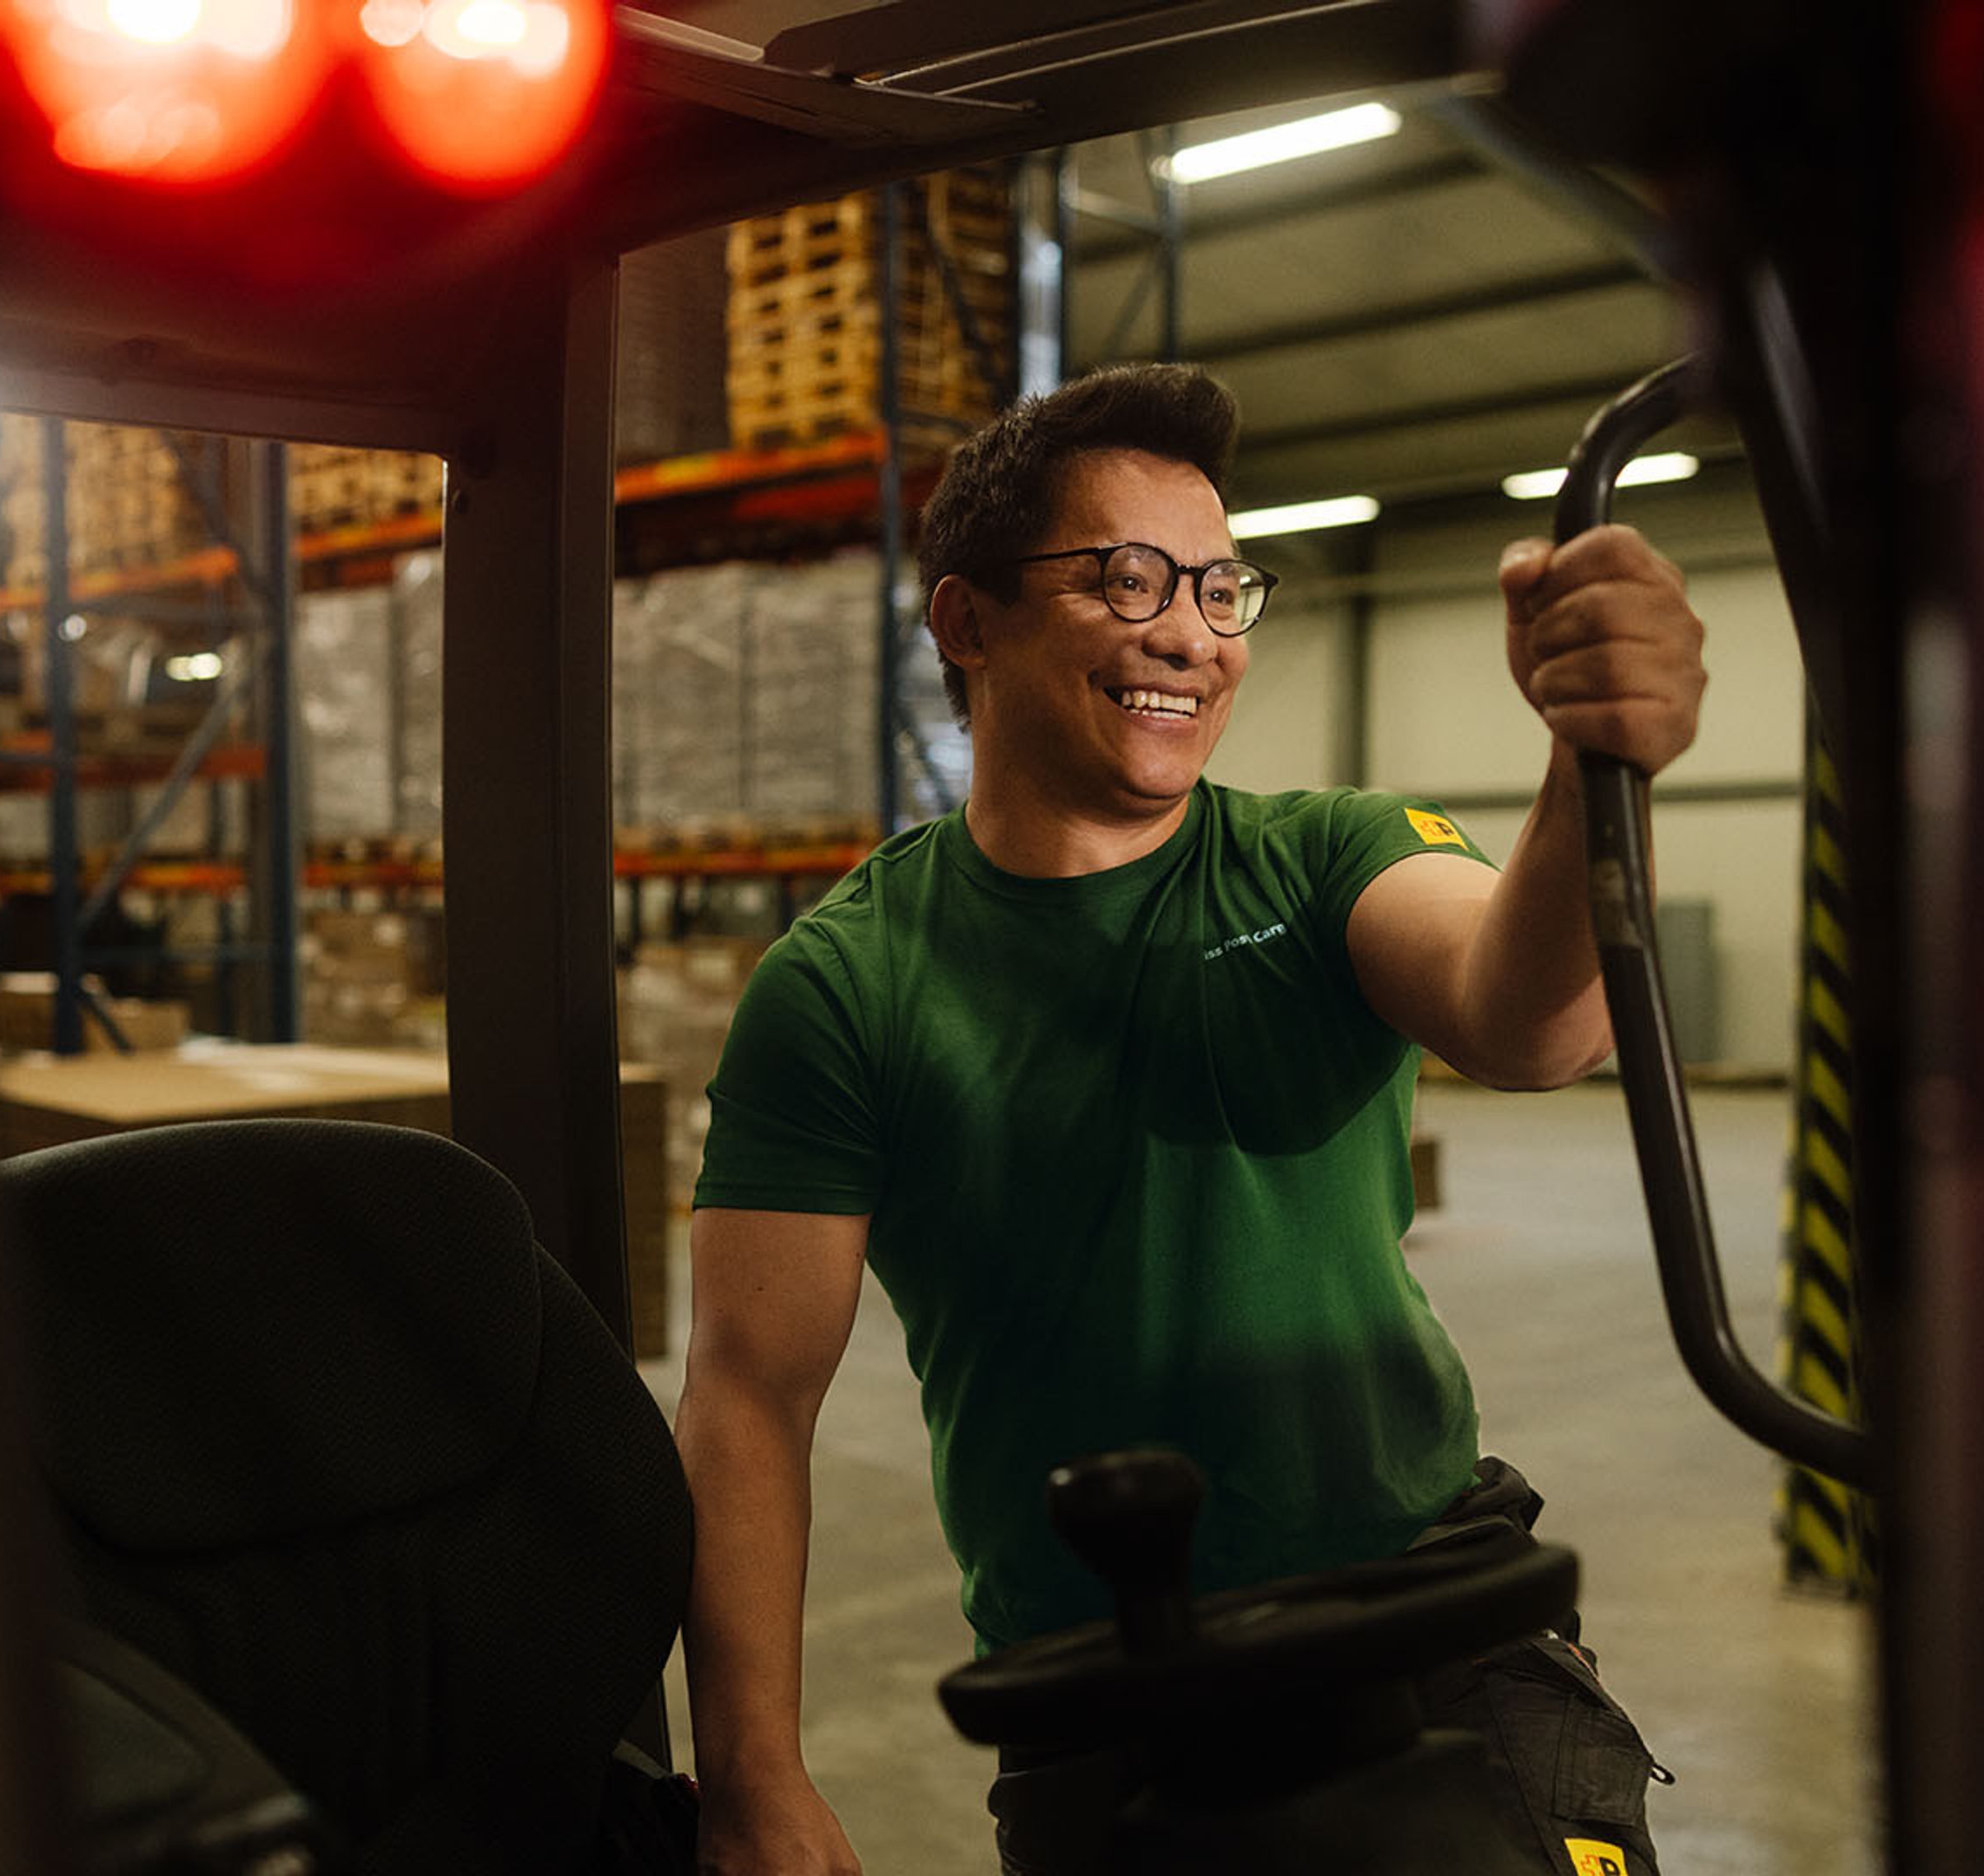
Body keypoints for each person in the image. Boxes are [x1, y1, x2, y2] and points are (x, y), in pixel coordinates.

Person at [671, 363, 1704, 1875]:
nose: (1190, 638)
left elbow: (1535, 1023)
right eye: (1128, 580)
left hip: (1424, 1619)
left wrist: (1590, 756)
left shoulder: (1323, 859)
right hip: (1105, 1685)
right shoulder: (846, 986)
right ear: (967, 622)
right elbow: (750, 1399)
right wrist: (750, 1775)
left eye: (1225, 592)